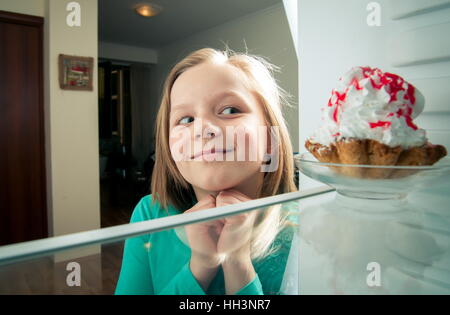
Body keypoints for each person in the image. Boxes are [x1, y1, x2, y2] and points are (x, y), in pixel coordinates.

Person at [115, 47, 298, 295]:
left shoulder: (304, 226)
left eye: (230, 110)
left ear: (270, 138)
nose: (203, 129)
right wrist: (200, 267)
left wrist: (237, 264)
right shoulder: (150, 214)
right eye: (186, 119)